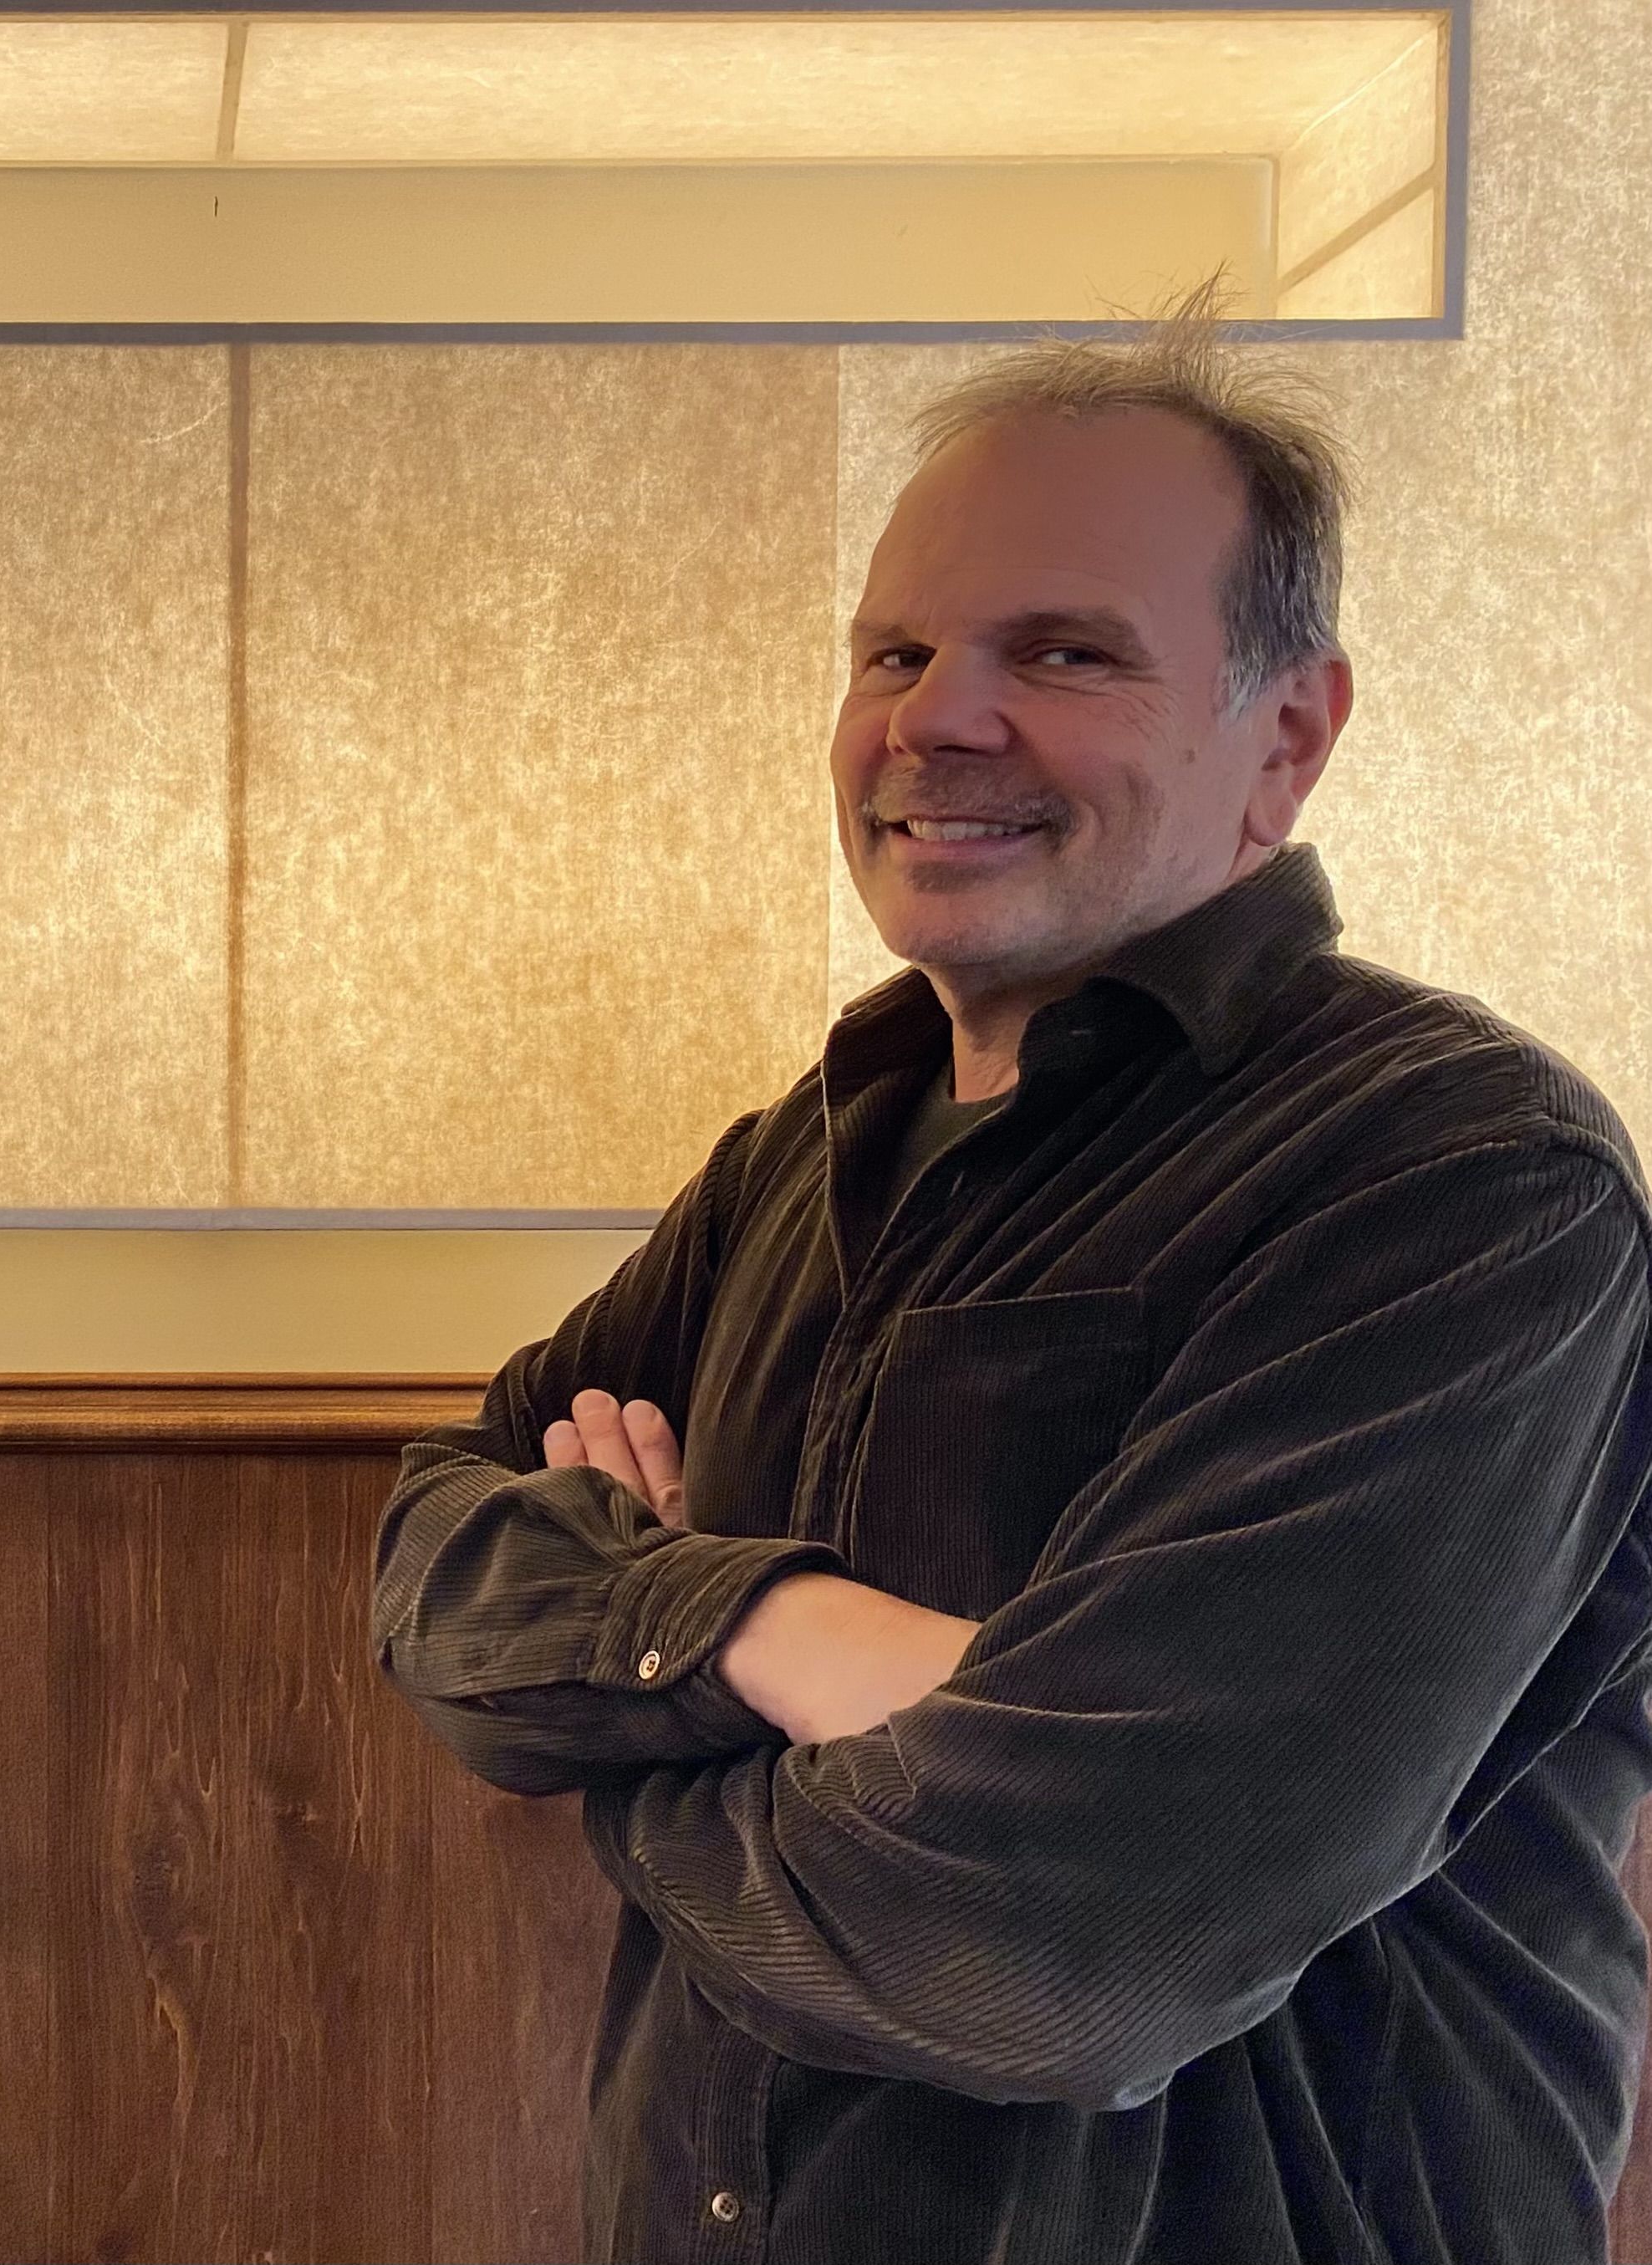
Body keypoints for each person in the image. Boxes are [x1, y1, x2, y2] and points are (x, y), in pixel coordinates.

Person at [374, 298, 1652, 2263]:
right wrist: (772, 1631)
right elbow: (430, 1553)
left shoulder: (1462, 1184)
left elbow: (1056, 1939)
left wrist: (629, 1719)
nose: (933, 719)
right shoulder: (802, 1149)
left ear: (1283, 736)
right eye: (892, 651)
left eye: (1060, 651)